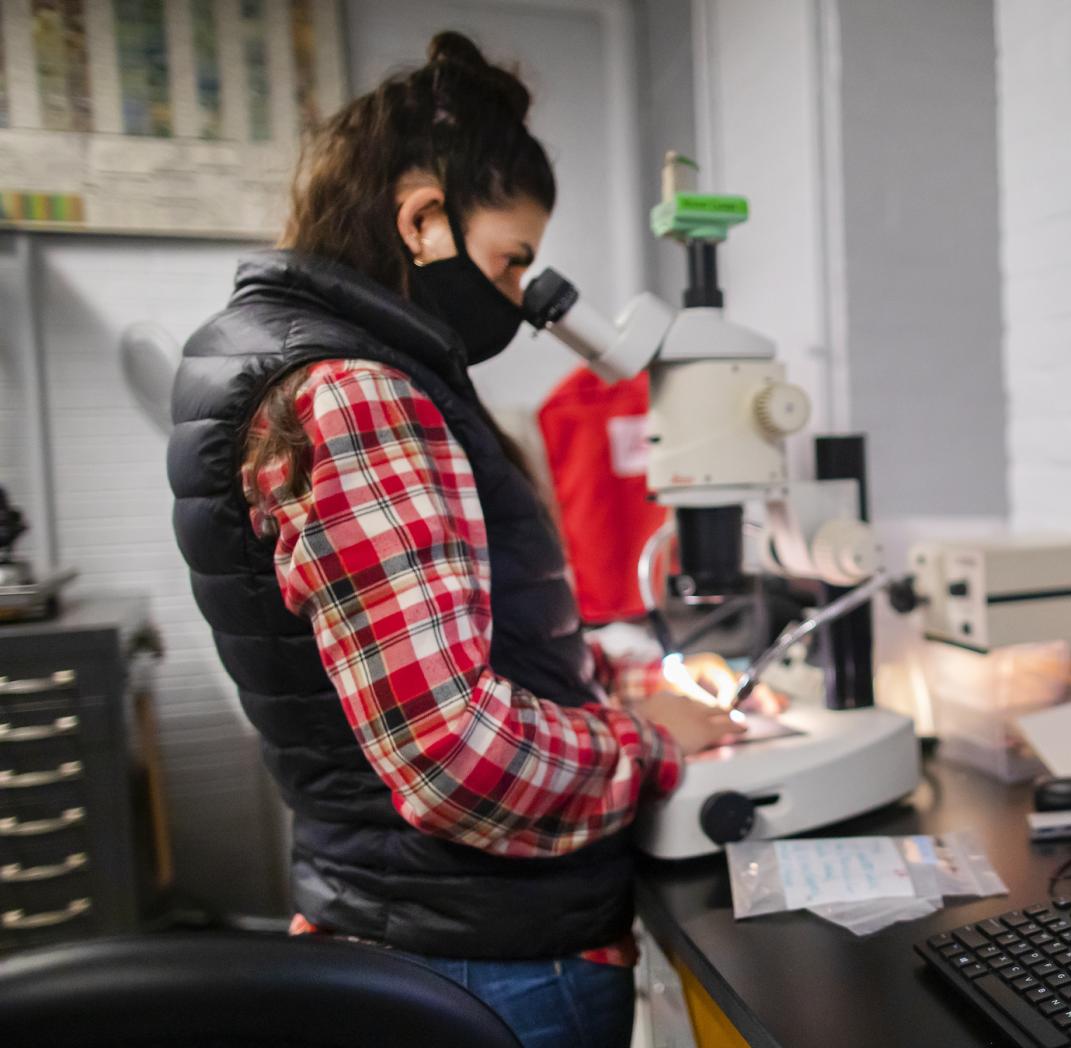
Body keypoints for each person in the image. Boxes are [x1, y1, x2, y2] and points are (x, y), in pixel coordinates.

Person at [168, 32, 740, 1048]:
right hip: (488, 956)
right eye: (512, 261)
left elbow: (450, 632)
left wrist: (604, 673)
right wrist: (651, 743)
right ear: (424, 219)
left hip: (427, 924)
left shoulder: (317, 362)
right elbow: (453, 756)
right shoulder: (356, 392)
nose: (523, 301)